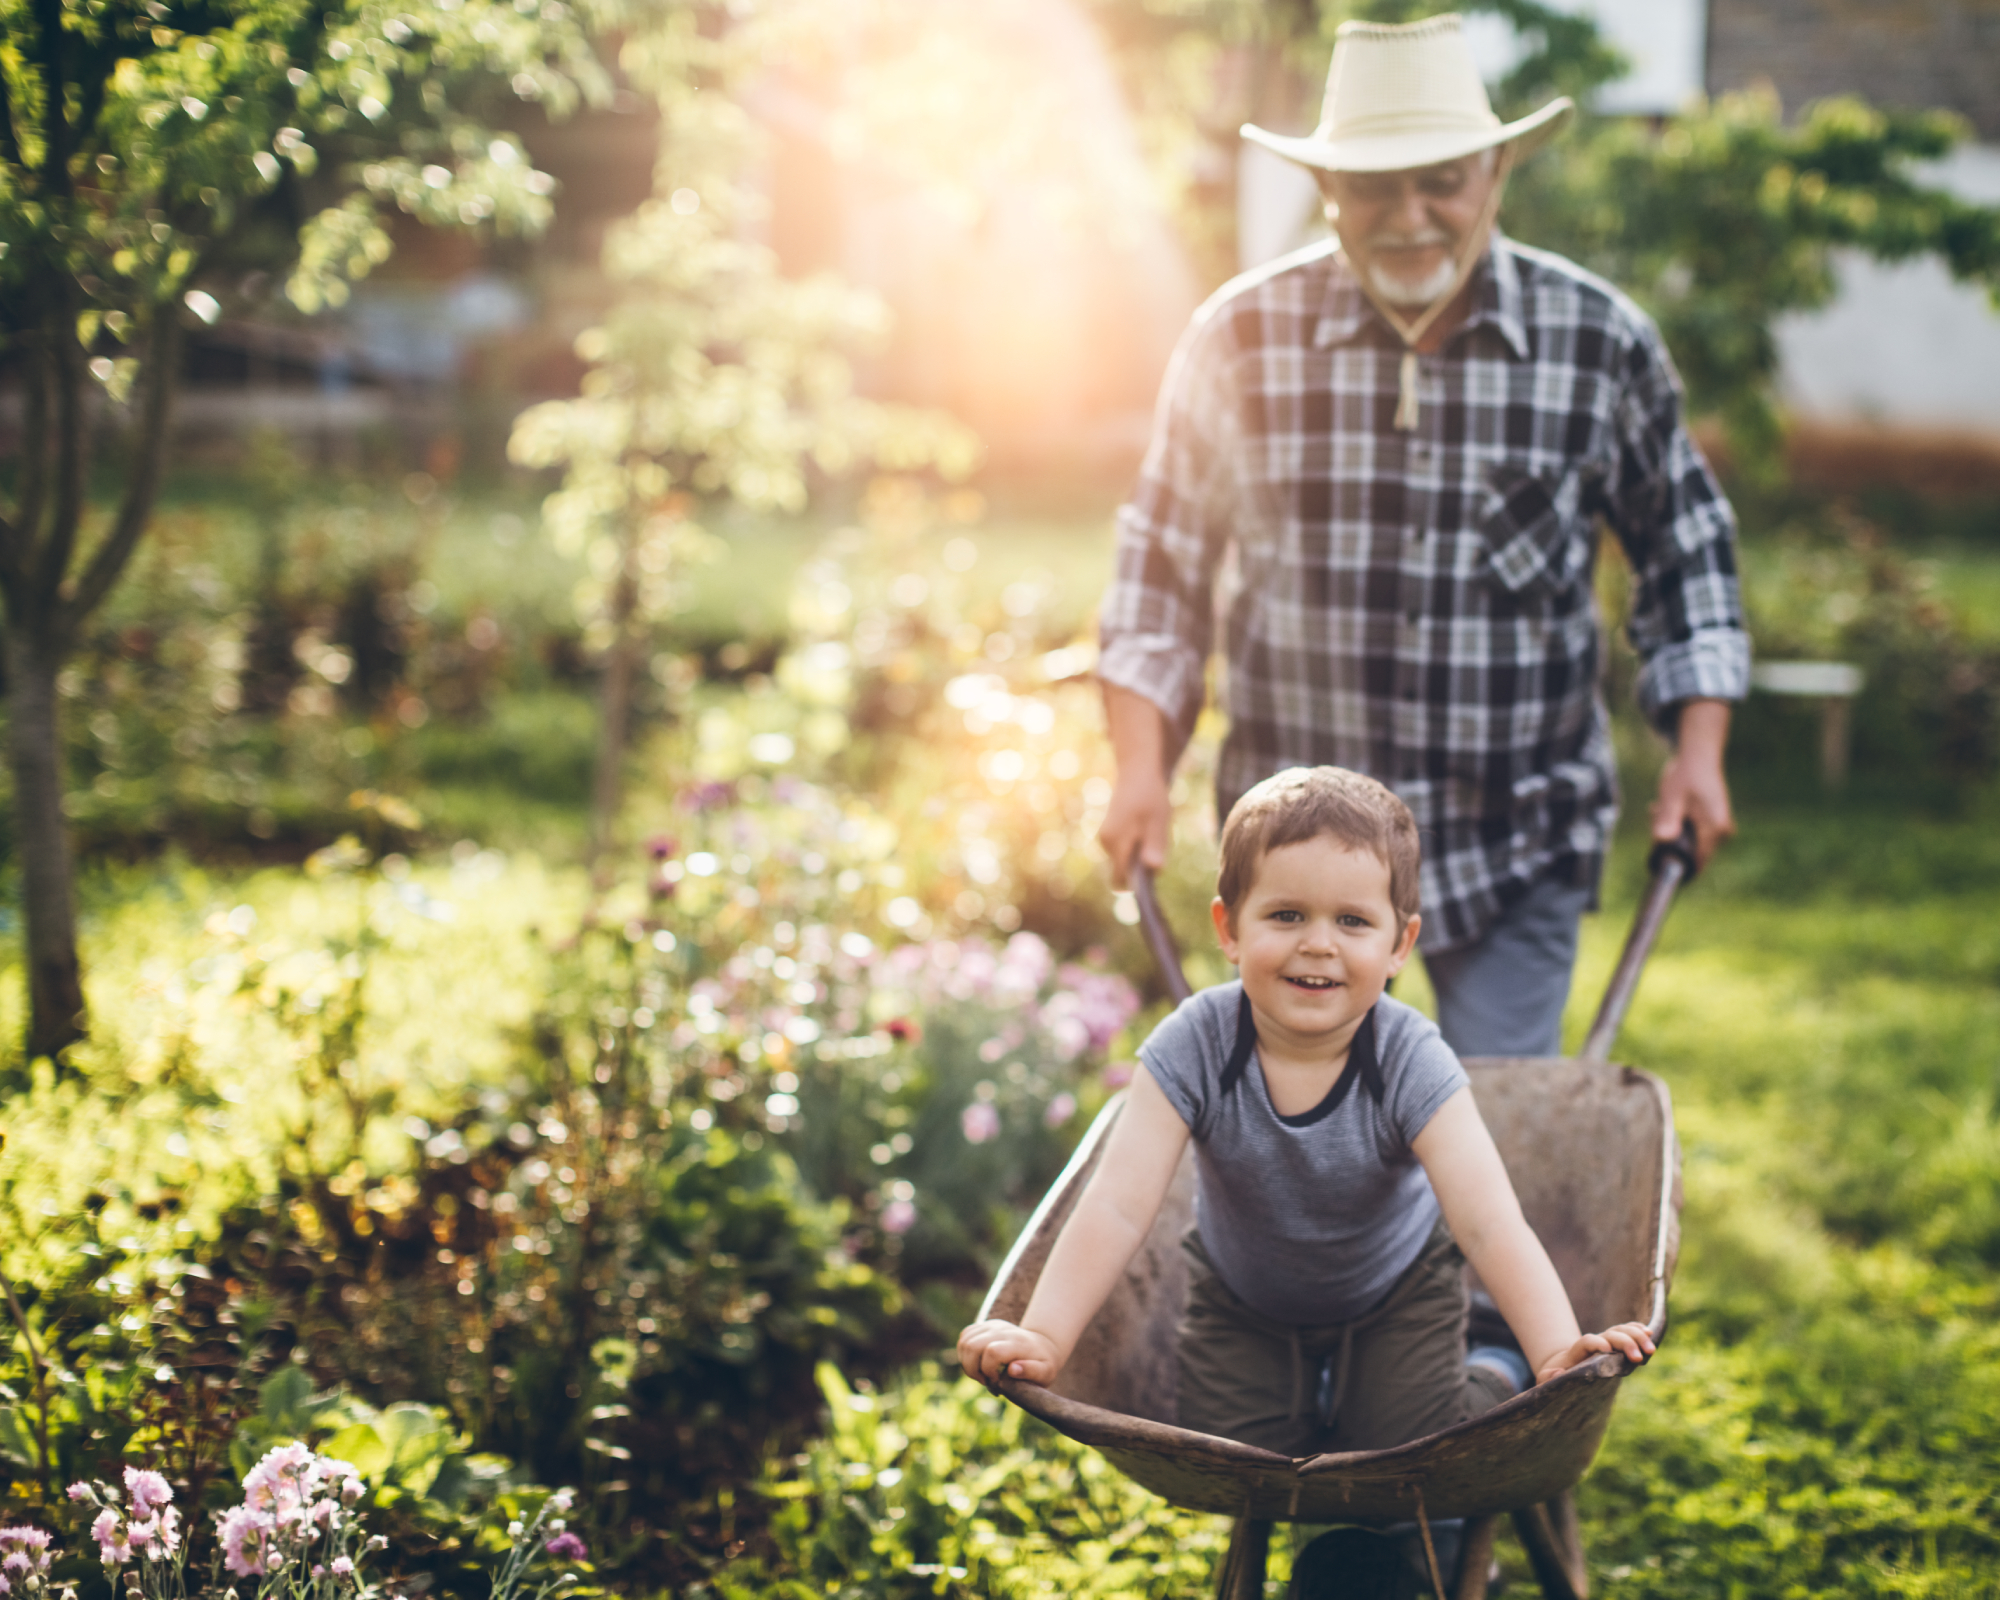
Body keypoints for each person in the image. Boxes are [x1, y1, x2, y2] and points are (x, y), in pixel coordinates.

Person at [1095, 14, 1750, 1059]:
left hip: (1514, 827)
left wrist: (1696, 750)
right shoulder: (1239, 340)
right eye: (1372, 186)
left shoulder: (1595, 343)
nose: (1408, 215)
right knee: (1309, 1151)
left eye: (1439, 180)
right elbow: (1158, 568)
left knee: (1483, 1140)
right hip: (1296, 872)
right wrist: (1138, 766)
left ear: (1493, 173)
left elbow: (1684, 553)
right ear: (1328, 193)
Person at [959, 768, 1652, 1588]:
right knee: (1246, 1457)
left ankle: (1492, 1367)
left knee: (1407, 1452)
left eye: (1352, 921)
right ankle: (1329, 1408)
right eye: (1286, 915)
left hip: (1397, 1291)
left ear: (1399, 945)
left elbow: (1489, 1221)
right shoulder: (1195, 1044)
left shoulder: (1405, 1055)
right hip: (1244, 1298)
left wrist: (1551, 1352)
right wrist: (1043, 1335)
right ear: (1229, 926)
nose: (1317, 943)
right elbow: (1114, 1204)